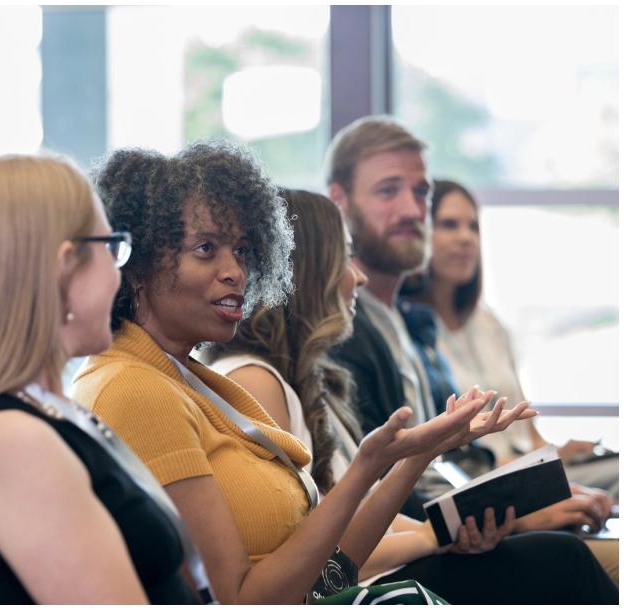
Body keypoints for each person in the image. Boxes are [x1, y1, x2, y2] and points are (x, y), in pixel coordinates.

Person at [73, 142, 534, 604]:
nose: (235, 271)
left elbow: (328, 576)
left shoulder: (189, 379)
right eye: (206, 249)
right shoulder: (135, 389)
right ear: (138, 265)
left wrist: (407, 459)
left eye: (242, 250)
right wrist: (370, 470)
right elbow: (242, 600)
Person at [201, 188, 618, 603]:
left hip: (373, 569)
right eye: (345, 258)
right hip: (359, 585)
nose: (359, 276)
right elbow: (318, 561)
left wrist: (433, 492)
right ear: (306, 273)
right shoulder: (256, 381)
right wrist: (433, 532)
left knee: (564, 553)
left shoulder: (302, 377)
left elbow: (352, 520)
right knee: (568, 559)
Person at [0, 154, 206, 604]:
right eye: (111, 247)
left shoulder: (32, 414)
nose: (118, 271)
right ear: (63, 266)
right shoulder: (8, 444)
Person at [324, 115, 617, 578]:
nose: (410, 209)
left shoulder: (399, 320)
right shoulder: (345, 332)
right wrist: (513, 513)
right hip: (388, 558)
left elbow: (431, 473)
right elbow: (377, 490)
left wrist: (505, 506)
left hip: (437, 530)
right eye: (388, 191)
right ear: (339, 201)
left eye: (420, 193)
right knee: (582, 559)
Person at [411, 178, 618, 495]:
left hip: (526, 466)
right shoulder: (411, 331)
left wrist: (563, 451)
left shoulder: (488, 322)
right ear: (420, 232)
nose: (466, 238)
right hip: (480, 479)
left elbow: (531, 435)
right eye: (449, 225)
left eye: (473, 227)